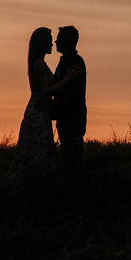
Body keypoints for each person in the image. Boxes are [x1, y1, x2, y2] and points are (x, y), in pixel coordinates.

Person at [13, 27, 61, 178]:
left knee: (37, 148)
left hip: (39, 109)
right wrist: (68, 79)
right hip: (38, 112)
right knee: (39, 149)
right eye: (49, 40)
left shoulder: (39, 63)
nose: (52, 44)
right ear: (42, 43)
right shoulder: (39, 64)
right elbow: (46, 91)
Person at [51, 25, 87, 173]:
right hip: (69, 118)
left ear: (70, 40)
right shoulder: (69, 60)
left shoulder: (73, 62)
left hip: (71, 118)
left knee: (72, 159)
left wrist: (51, 109)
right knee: (70, 157)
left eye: (59, 38)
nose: (55, 42)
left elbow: (70, 94)